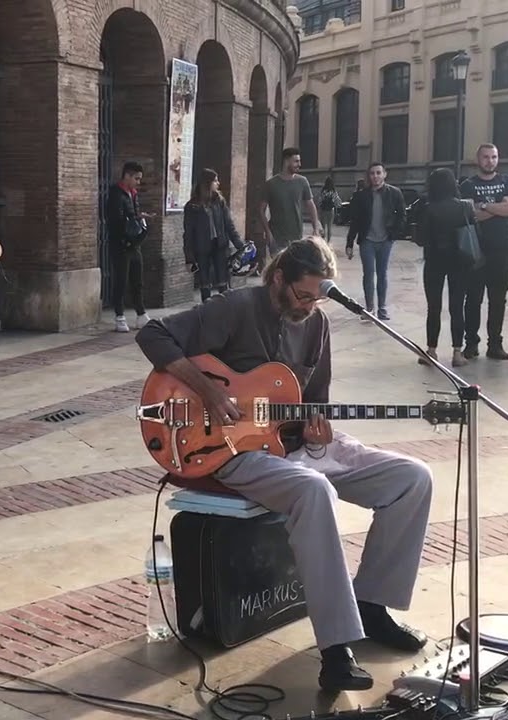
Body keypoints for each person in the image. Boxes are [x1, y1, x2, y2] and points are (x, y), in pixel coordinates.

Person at [135, 238, 433, 692]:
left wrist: (317, 428)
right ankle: (336, 649)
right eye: (303, 295)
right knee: (314, 490)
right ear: (278, 279)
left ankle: (372, 604)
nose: (309, 306)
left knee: (412, 478)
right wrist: (210, 392)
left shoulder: (316, 323)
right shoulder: (236, 307)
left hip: (295, 444)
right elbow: (153, 334)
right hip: (235, 451)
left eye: (317, 299)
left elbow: (315, 402)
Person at [459, 144, 508, 360]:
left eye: (494, 157)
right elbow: (471, 215)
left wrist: (484, 206)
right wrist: (499, 207)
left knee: (498, 299)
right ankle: (471, 343)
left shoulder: (507, 181)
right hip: (475, 249)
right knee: (473, 299)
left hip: (501, 249)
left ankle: (495, 344)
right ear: (478, 159)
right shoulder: (468, 185)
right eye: (486, 157)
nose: (490, 161)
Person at [415, 168, 476, 368]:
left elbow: (420, 238)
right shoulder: (465, 207)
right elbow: (474, 231)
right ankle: (457, 352)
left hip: (434, 261)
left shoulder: (428, 208)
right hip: (460, 262)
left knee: (433, 307)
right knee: (457, 307)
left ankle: (431, 351)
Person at [344, 162, 406, 319]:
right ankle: (370, 308)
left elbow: (402, 215)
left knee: (382, 273)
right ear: (368, 176)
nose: (375, 176)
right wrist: (350, 242)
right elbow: (355, 220)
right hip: (367, 241)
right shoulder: (361, 196)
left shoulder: (394, 193)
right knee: (368, 274)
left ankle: (382, 308)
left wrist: (394, 233)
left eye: (378, 173)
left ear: (385, 174)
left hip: (385, 240)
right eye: (372, 173)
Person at [184, 168, 248, 302]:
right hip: (202, 248)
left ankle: (224, 307)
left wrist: (240, 245)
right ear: (207, 183)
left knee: (223, 280)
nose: (218, 183)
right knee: (204, 282)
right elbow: (188, 233)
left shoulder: (219, 201)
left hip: (220, 246)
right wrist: (189, 258)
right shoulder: (192, 206)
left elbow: (229, 225)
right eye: (215, 181)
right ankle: (207, 308)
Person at [106, 161, 154, 332]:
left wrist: (140, 218)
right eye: (136, 178)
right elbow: (116, 220)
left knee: (137, 280)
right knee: (121, 280)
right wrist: (135, 219)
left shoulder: (133, 194)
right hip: (121, 244)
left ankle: (141, 313)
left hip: (134, 243)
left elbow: (132, 214)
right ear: (127, 176)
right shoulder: (116, 194)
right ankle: (119, 315)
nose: (138, 182)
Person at [259, 147, 321, 258]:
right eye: (296, 161)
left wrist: (315, 229)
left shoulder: (302, 182)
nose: (299, 164)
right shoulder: (271, 184)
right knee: (279, 266)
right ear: (286, 161)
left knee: (294, 266)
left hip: (296, 237)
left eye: (299, 161)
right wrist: (268, 232)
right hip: (276, 238)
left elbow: (311, 205)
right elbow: (261, 210)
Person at [316, 176, 341, 243]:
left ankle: (323, 241)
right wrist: (338, 206)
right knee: (329, 227)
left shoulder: (323, 191)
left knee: (323, 226)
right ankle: (328, 242)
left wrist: (319, 207)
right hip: (331, 210)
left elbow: (319, 200)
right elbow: (337, 201)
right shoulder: (333, 191)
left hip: (323, 210)